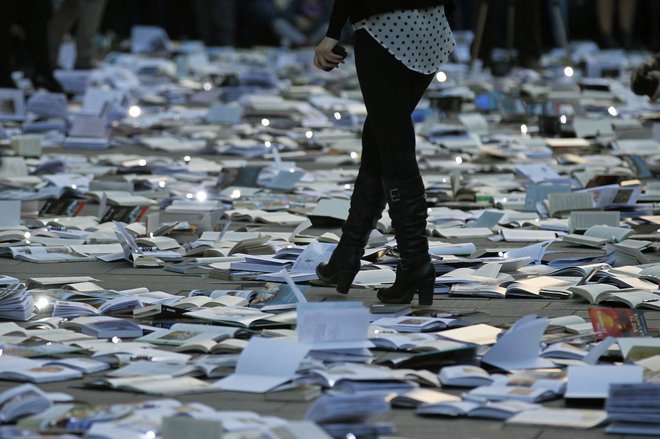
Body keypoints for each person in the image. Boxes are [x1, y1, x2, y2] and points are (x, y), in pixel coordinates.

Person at [314, 0, 456, 305]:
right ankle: (347, 254)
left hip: (384, 28)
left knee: (394, 145)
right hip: (432, 27)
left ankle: (415, 262)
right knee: (381, 136)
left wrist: (332, 33)